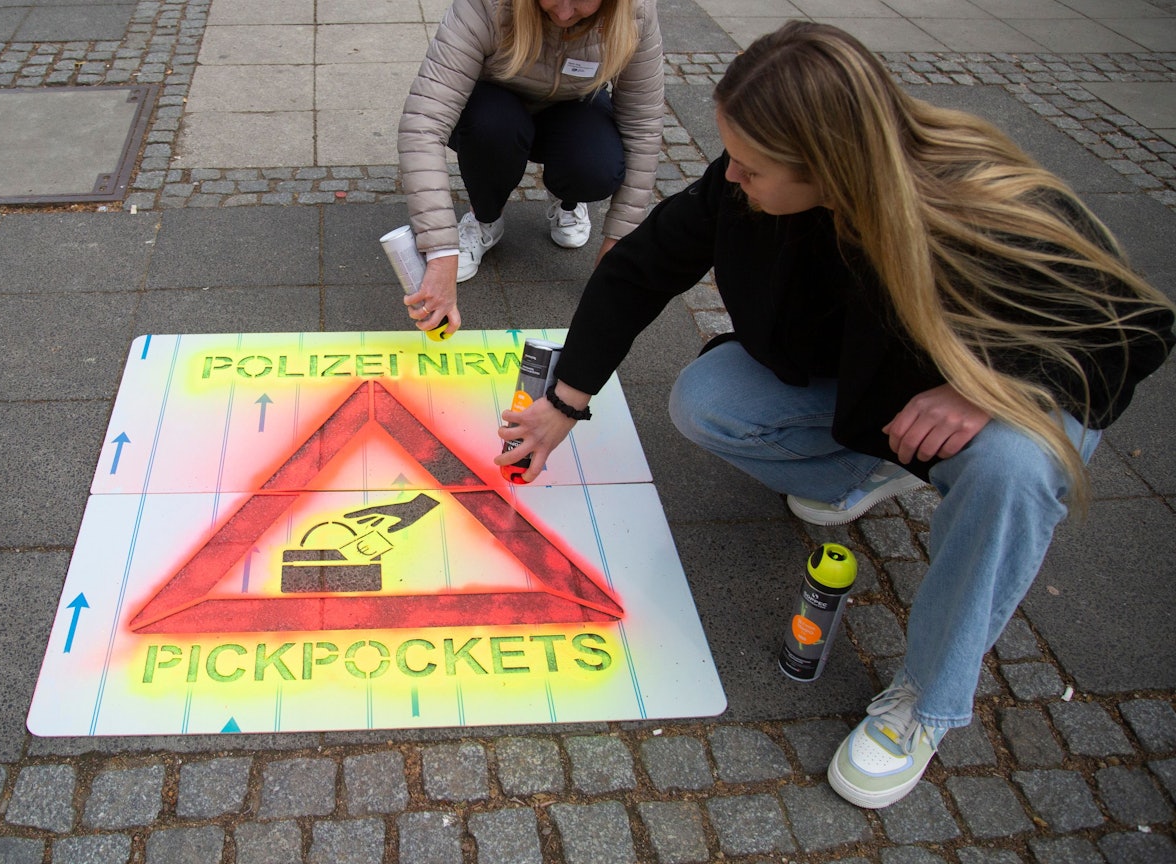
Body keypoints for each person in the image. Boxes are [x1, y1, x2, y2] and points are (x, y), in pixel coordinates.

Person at [495, 20, 1175, 809]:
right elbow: (641, 270)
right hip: (868, 392)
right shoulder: (748, 182)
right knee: (707, 403)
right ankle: (878, 465)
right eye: (732, 157)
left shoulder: (981, 199)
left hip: (991, 409)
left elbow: (1132, 330)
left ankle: (927, 699)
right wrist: (565, 404)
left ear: (828, 163)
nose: (730, 176)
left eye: (751, 166)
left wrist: (988, 386)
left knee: (1014, 471)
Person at [397, 0, 666, 337]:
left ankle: (568, 198)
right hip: (495, 107)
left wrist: (620, 244)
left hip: (575, 106)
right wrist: (441, 250)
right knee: (492, 128)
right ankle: (485, 218)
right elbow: (423, 122)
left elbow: (642, 125)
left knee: (595, 166)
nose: (565, 13)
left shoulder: (635, 10)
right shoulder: (487, 6)